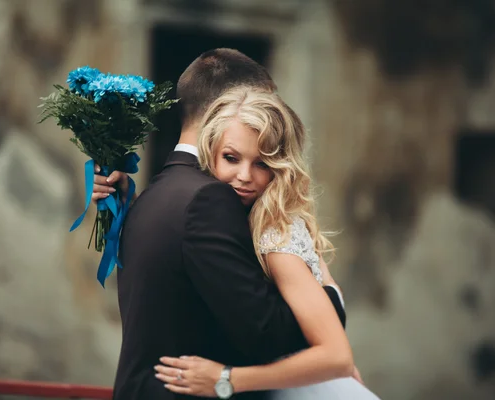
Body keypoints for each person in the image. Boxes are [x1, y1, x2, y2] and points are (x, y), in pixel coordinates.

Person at [93, 49, 357, 400]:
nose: (245, 175)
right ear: (224, 109)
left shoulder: (149, 197)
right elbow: (265, 334)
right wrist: (331, 298)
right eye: (261, 103)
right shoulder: (209, 201)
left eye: (264, 162)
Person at [152, 87, 381, 399]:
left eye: (261, 163)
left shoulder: (273, 235)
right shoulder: (229, 218)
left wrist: (226, 379)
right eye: (231, 158)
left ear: (278, 168)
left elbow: (337, 358)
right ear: (210, 154)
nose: (244, 176)